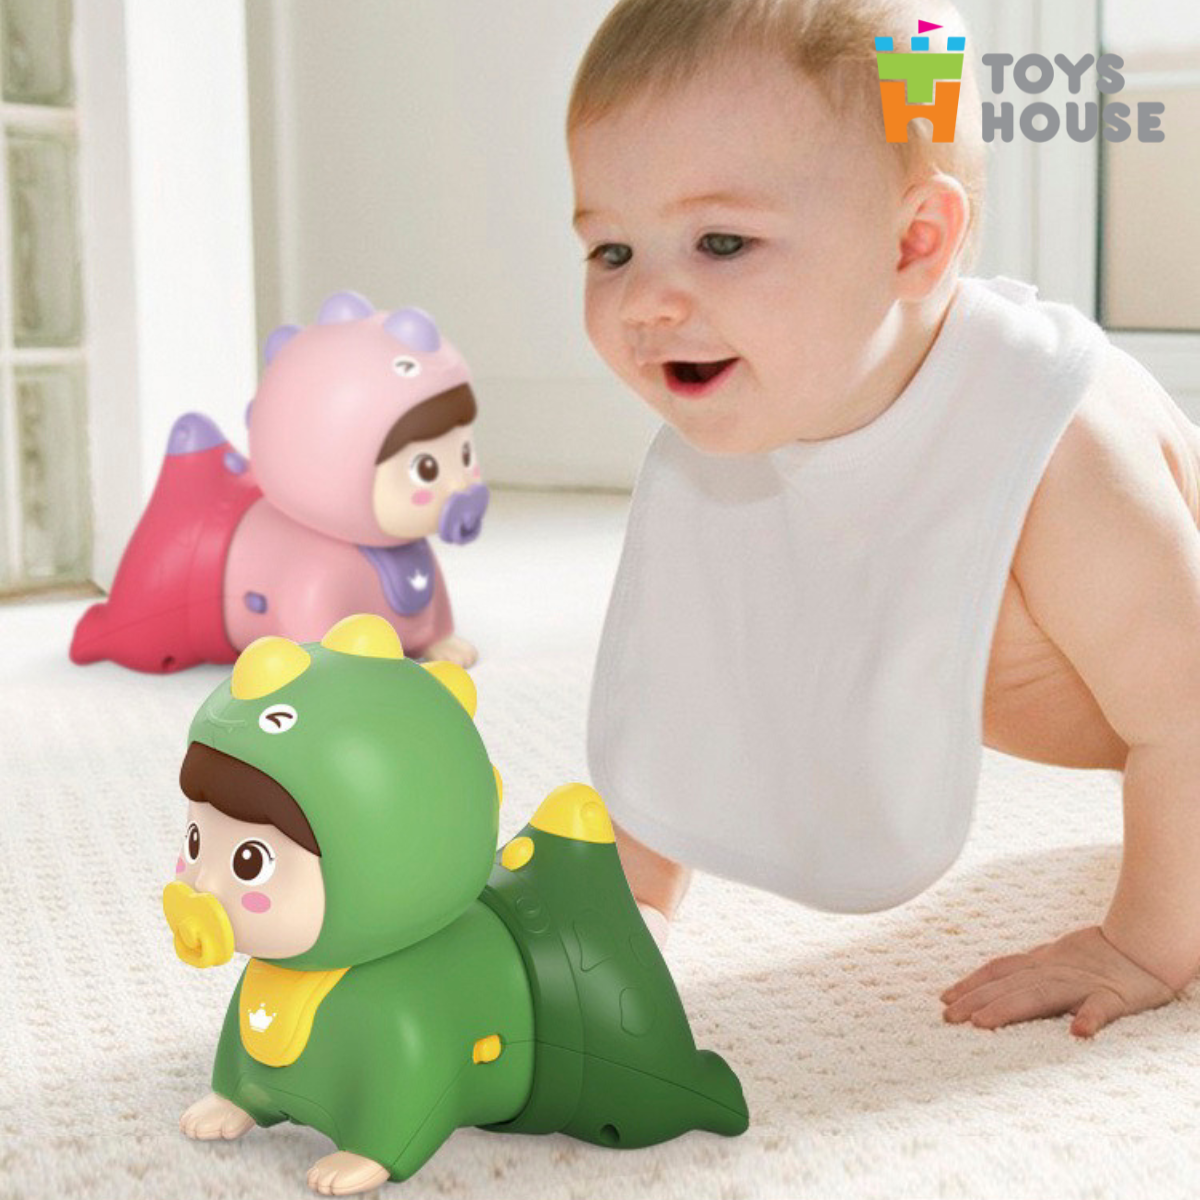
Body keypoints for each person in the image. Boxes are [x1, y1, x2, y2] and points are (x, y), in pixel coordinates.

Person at [572, 0, 1200, 1037]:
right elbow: (691, 683)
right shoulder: (740, 428)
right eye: (611, 252)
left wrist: (1145, 944)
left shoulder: (1052, 443)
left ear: (914, 242)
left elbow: (1189, 714)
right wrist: (630, 903)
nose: (647, 302)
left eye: (721, 241)